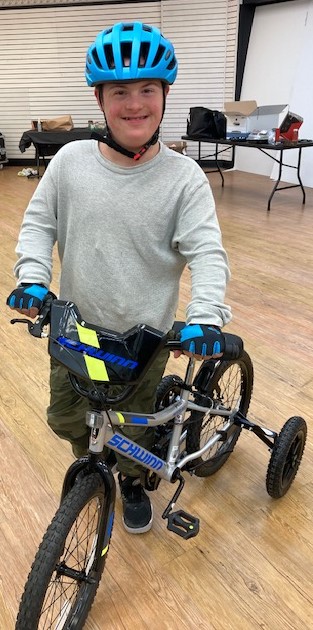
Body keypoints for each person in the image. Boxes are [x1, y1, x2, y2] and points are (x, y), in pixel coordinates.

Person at [7, 21, 232, 534]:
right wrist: (35, 278)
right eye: (120, 92)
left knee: (132, 429)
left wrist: (205, 316)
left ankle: (130, 480)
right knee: (65, 418)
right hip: (75, 331)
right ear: (100, 99)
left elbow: (208, 254)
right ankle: (93, 462)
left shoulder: (183, 180)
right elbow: (40, 223)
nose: (135, 104)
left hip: (142, 342)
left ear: (165, 95)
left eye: (147, 89)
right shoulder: (69, 162)